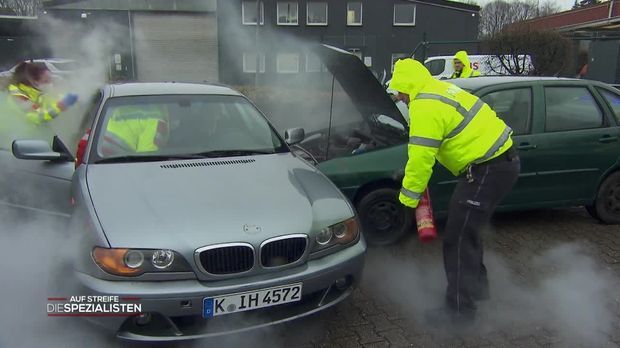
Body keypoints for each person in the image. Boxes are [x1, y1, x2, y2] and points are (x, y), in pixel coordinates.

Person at [389, 58, 520, 324]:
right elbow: (435, 147)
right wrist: (411, 177)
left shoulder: (424, 106)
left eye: (399, 92)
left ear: (406, 86)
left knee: (458, 238)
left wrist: (407, 198)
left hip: (487, 169)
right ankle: (477, 289)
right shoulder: (440, 90)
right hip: (501, 164)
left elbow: (422, 157)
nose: (400, 99)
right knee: (468, 231)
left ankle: (460, 311)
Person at [3, 61, 78, 146]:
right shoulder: (18, 96)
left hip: (34, 142)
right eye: (46, 81)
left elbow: (55, 100)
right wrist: (59, 107)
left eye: (50, 80)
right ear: (34, 82)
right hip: (12, 145)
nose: (50, 84)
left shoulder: (39, 93)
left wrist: (71, 97)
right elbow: (38, 117)